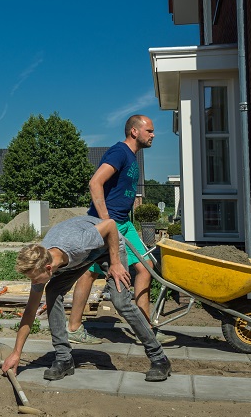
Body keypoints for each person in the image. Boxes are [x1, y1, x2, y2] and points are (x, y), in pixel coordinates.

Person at [1, 214, 172, 382]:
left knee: (120, 302)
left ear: (48, 268)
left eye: (35, 279)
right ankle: (64, 359)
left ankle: (159, 358)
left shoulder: (78, 243)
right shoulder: (42, 263)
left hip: (108, 246)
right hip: (84, 256)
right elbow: (31, 311)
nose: (34, 283)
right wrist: (16, 353)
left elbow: (110, 225)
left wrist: (115, 263)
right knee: (52, 290)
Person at [67, 114, 175, 345]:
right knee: (90, 273)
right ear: (134, 131)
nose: (153, 135)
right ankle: (74, 328)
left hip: (124, 224)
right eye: (149, 131)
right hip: (107, 224)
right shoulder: (119, 152)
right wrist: (107, 224)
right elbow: (95, 182)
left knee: (146, 268)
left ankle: (144, 330)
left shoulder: (132, 157)